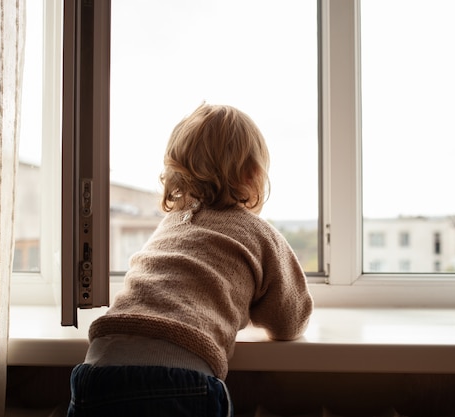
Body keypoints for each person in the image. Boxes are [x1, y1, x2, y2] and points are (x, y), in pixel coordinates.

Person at [67, 103, 313, 417]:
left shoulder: (171, 226)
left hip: (97, 369)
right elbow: (288, 320)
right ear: (254, 174)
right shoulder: (258, 232)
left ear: (175, 171)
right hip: (178, 379)